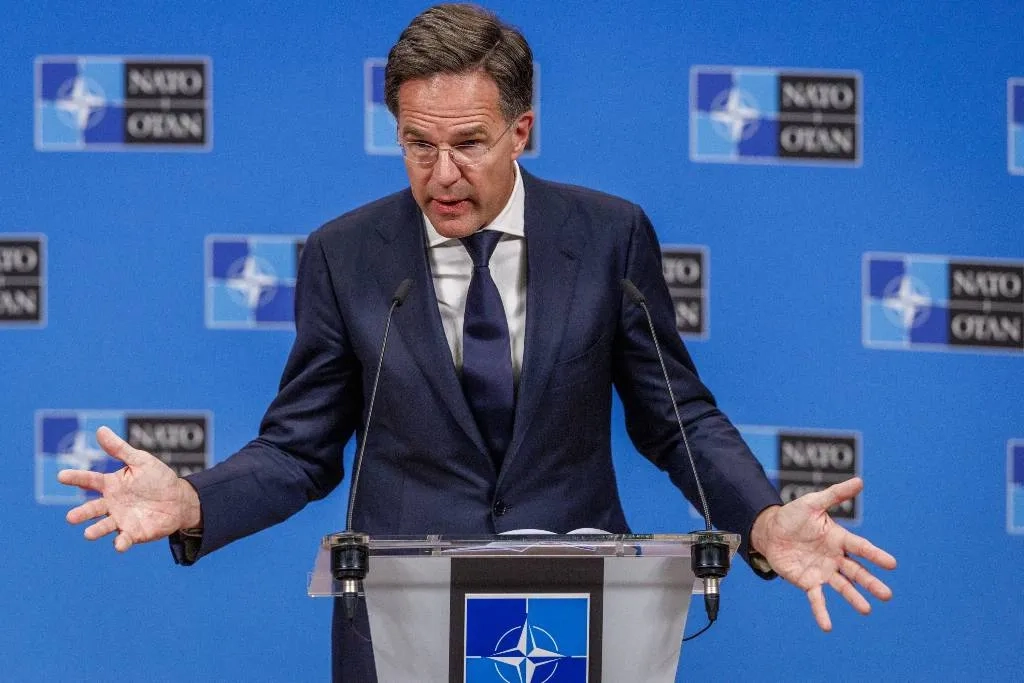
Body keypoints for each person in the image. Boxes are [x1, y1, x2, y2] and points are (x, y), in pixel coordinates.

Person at [58, 3, 896, 681]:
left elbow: (677, 419)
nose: (442, 174)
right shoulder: (346, 256)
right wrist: (195, 501)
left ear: (520, 130)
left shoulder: (609, 237)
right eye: (418, 145)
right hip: (400, 622)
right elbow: (298, 448)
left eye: (468, 144)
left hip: (572, 613)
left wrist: (760, 519)